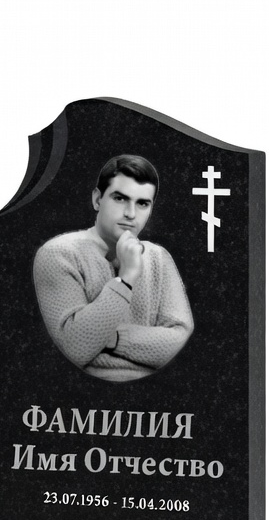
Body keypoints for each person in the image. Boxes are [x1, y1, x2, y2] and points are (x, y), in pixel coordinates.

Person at [33, 154, 194, 382]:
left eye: (142, 203)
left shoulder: (159, 257)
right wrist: (126, 278)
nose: (131, 214)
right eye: (120, 198)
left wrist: (111, 338)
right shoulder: (58, 253)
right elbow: (74, 349)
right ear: (97, 199)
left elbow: (180, 342)